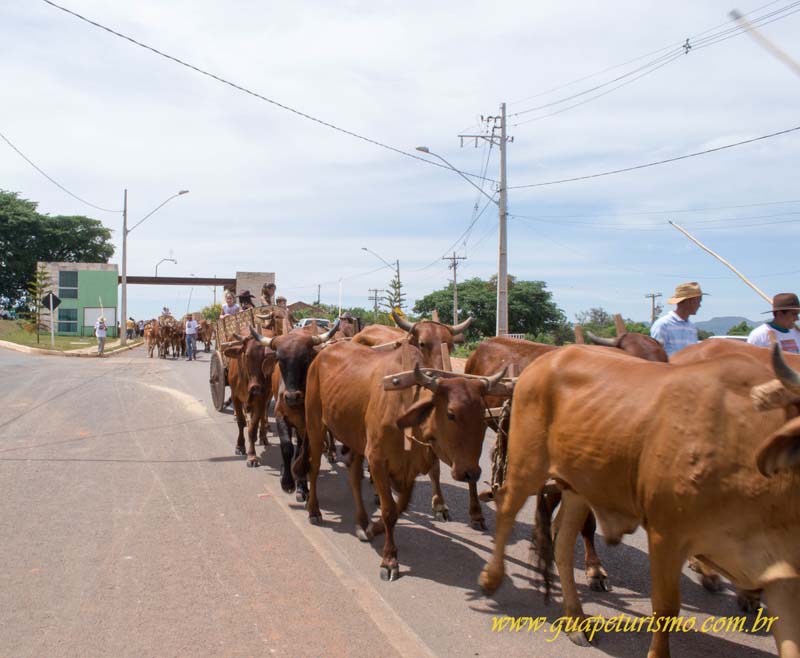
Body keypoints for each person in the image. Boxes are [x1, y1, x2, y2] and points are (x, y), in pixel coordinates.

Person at [650, 281, 706, 358]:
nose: (699, 305)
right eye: (698, 301)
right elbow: (655, 357)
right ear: (688, 301)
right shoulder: (663, 325)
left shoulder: (691, 328)